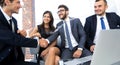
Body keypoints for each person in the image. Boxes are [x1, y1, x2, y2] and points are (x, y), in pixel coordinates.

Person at [0, 0, 40, 65]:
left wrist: (20, 34)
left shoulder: (14, 21)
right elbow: (12, 38)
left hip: (15, 60)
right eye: (18, 2)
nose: (20, 6)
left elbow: (12, 36)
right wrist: (38, 42)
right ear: (7, 2)